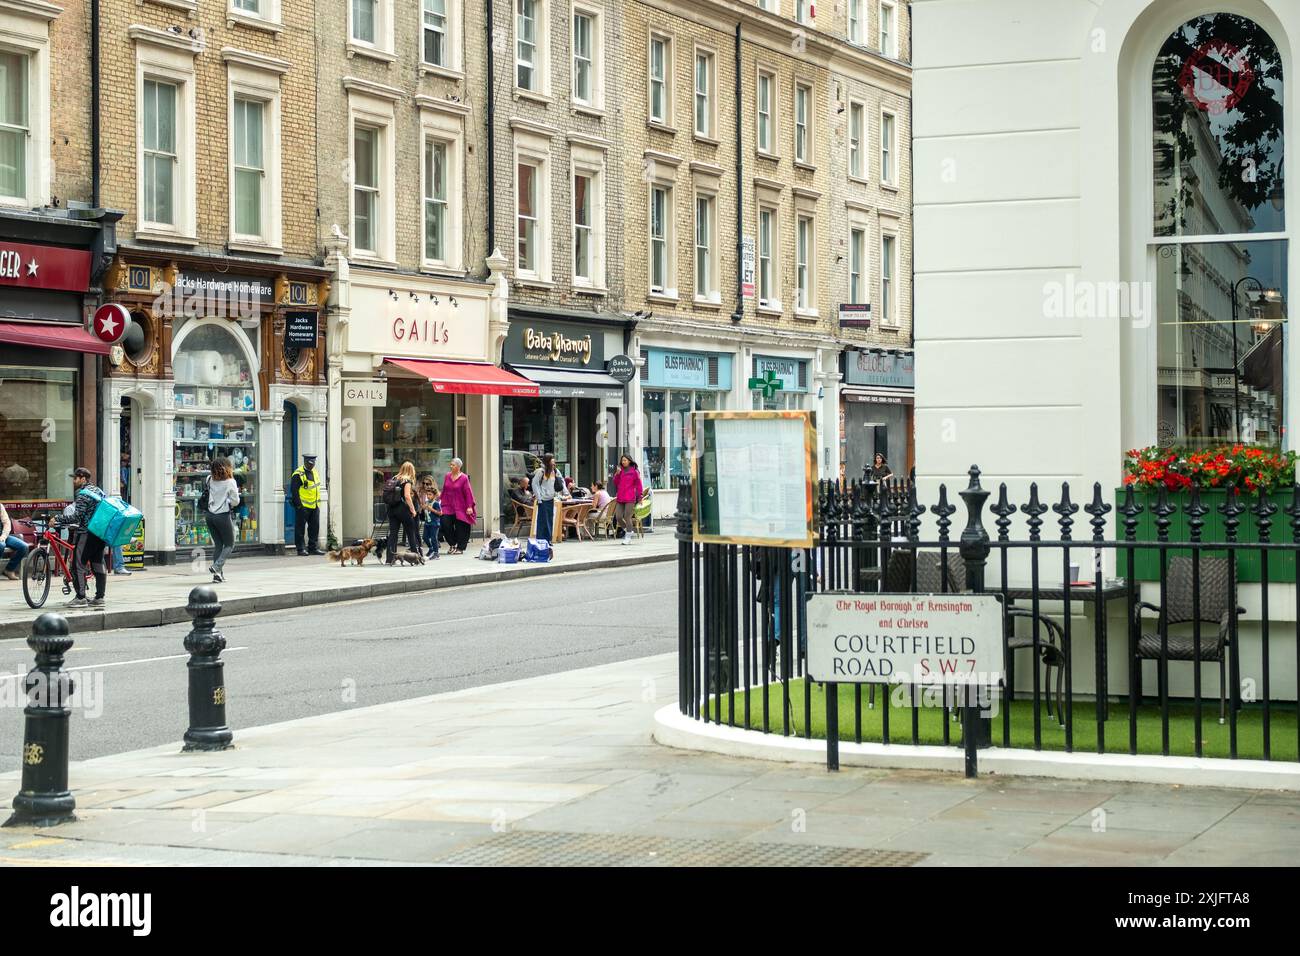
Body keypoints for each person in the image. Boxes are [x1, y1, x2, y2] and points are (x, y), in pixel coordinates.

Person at [56, 467, 108, 608]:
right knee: (98, 563)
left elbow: (76, 516)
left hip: (86, 533)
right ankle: (99, 597)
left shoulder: (83, 494)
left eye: (76, 478)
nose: (74, 481)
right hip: (100, 534)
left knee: (78, 564)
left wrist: (57, 519)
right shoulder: (99, 491)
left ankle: (80, 598)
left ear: (83, 478)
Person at [204, 457, 241, 583]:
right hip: (222, 516)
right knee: (230, 544)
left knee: (219, 545)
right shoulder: (230, 482)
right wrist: (229, 500)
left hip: (209, 516)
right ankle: (216, 566)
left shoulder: (209, 479)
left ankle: (217, 576)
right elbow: (236, 502)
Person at [385, 461, 420, 564]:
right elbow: (407, 496)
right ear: (411, 470)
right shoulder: (407, 480)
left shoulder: (394, 479)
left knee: (393, 534)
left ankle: (390, 558)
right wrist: (413, 510)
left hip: (392, 509)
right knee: (410, 532)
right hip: (403, 509)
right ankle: (415, 557)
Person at [441, 457, 477, 555]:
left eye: (453, 465)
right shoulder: (447, 476)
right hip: (448, 505)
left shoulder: (464, 478)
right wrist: (440, 500)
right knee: (445, 523)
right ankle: (452, 544)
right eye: (451, 464)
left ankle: (460, 547)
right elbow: (444, 489)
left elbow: (468, 492)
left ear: (458, 467)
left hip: (461, 505)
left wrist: (469, 506)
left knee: (462, 527)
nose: (450, 466)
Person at [289, 453, 323, 556]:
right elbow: (294, 491)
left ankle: (313, 547)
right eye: (309, 463)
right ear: (305, 462)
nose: (311, 465)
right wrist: (299, 505)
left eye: (313, 463)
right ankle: (301, 549)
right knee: (300, 528)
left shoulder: (315, 472)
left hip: (315, 505)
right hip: (303, 506)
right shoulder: (298, 474)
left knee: (314, 528)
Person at [530, 453, 566, 544]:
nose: (554, 462)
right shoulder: (541, 471)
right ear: (547, 461)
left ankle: (548, 540)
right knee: (542, 521)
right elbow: (535, 484)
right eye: (552, 460)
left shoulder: (555, 471)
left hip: (551, 499)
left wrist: (564, 493)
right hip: (542, 500)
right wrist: (539, 497)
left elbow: (561, 481)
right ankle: (540, 540)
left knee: (549, 520)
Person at [611, 455, 644, 545]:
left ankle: (628, 537)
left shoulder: (634, 472)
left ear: (629, 461)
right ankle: (629, 530)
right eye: (622, 460)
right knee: (618, 517)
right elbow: (615, 482)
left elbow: (639, 485)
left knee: (627, 517)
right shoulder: (620, 471)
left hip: (630, 498)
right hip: (620, 497)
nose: (623, 462)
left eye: (625, 460)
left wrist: (640, 497)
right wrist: (617, 474)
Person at [1, 500, 28, 582]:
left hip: (3, 536)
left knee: (23, 546)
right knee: (1, 546)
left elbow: (7, 523)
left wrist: (3, 536)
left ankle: (9, 570)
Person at [419, 476, 442, 560]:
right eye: (427, 494)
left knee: (433, 538)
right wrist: (422, 508)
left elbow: (440, 513)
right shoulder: (426, 502)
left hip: (434, 523)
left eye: (430, 495)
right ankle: (431, 548)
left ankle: (436, 553)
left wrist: (431, 509)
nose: (428, 496)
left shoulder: (436, 503)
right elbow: (424, 511)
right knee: (425, 537)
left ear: (434, 495)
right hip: (427, 523)